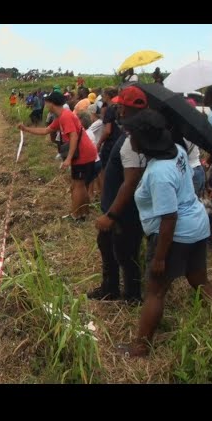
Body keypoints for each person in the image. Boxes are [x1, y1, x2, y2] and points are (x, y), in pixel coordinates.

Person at [117, 109, 212, 358]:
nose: (128, 139)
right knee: (199, 280)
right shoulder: (177, 151)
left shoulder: (160, 173)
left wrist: (160, 257)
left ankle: (141, 347)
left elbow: (169, 218)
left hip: (176, 234)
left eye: (131, 135)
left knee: (155, 290)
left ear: (143, 141)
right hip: (197, 226)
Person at [87, 86, 148, 304]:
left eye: (121, 105)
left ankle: (132, 297)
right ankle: (110, 288)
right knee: (107, 245)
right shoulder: (130, 134)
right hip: (115, 207)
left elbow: (130, 182)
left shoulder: (133, 142)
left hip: (122, 212)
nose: (118, 108)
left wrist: (111, 215)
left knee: (126, 254)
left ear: (126, 108)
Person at [19, 91, 98, 220]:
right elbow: (46, 130)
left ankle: (76, 215)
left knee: (78, 185)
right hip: (84, 153)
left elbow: (73, 136)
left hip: (83, 154)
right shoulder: (61, 117)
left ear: (52, 103)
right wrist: (26, 129)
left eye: (47, 101)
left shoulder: (65, 117)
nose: (46, 104)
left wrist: (68, 158)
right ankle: (83, 213)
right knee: (79, 185)